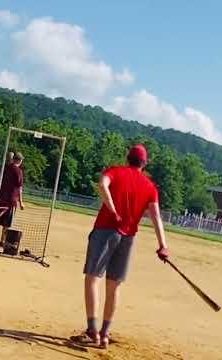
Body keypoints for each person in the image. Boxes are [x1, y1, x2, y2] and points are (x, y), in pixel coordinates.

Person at [71, 144, 170, 349]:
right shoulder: (150, 187)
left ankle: (92, 331)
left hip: (106, 229)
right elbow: (156, 217)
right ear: (144, 163)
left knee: (92, 278)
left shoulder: (115, 171)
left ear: (128, 158)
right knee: (114, 285)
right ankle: (105, 334)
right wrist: (163, 245)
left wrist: (113, 209)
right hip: (128, 237)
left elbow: (102, 185)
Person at [0, 152, 25, 248]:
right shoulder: (18, 171)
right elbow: (19, 187)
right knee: (7, 223)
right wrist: (21, 202)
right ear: (19, 161)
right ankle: (2, 241)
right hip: (12, 200)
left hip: (2, 198)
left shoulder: (6, 168)